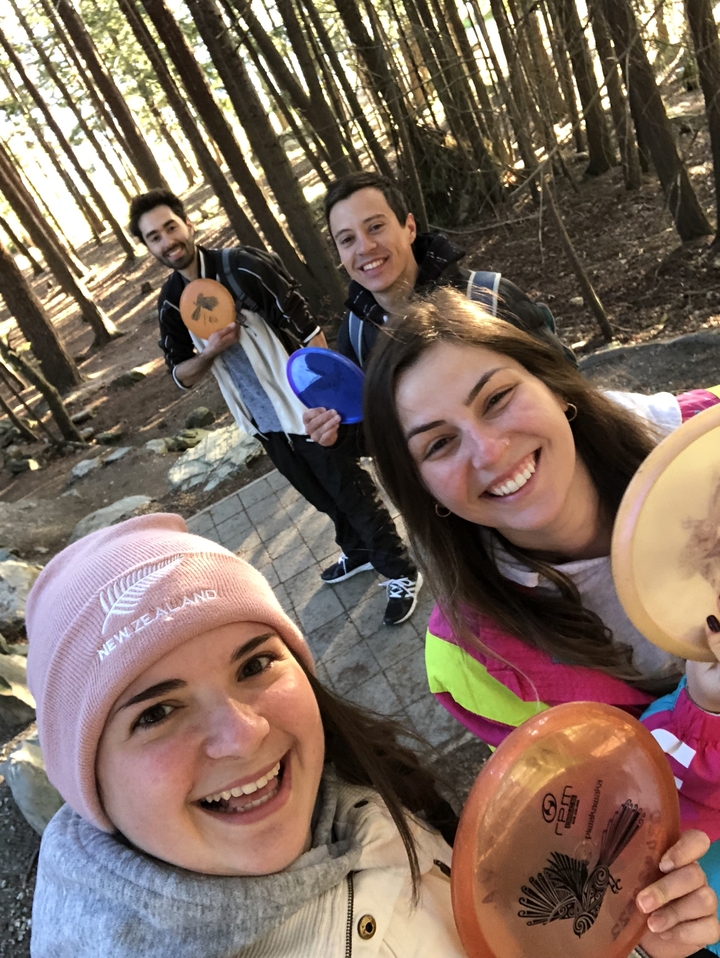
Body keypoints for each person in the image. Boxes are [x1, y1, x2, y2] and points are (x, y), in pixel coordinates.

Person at [24, 514, 718, 958]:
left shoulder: (358, 799)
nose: (240, 734)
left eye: (255, 664)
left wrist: (627, 935)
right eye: (155, 713)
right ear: (89, 784)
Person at [363, 288, 720, 954]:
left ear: (555, 384)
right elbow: (609, 827)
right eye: (439, 443)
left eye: (496, 398)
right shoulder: (470, 659)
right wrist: (702, 710)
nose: (489, 450)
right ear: (424, 492)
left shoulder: (706, 444)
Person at [128, 189, 421, 626]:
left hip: (301, 407)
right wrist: (211, 352)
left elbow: (307, 328)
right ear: (148, 247)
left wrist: (325, 400)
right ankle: (358, 552)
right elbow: (181, 374)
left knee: (348, 489)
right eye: (154, 237)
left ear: (187, 224)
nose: (167, 241)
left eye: (171, 227)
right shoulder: (172, 302)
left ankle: (400, 570)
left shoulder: (242, 266)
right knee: (318, 493)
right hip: (262, 421)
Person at [303, 170, 574, 450]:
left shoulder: (489, 299)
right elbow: (383, 437)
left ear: (409, 227)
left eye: (375, 227)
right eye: (347, 240)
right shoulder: (355, 335)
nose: (365, 247)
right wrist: (340, 433)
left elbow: (565, 383)